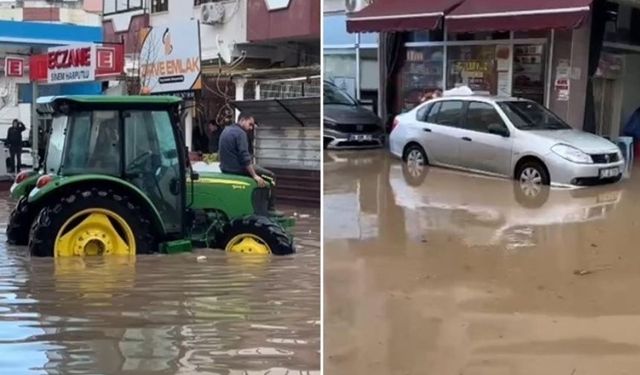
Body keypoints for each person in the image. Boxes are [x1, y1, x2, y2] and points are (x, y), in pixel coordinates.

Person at [218, 113, 277, 211]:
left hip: (225, 168)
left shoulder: (226, 130)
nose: (251, 128)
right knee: (271, 177)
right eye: (250, 124)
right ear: (242, 120)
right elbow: (244, 157)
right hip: (237, 168)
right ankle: (270, 208)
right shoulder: (241, 133)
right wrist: (255, 176)